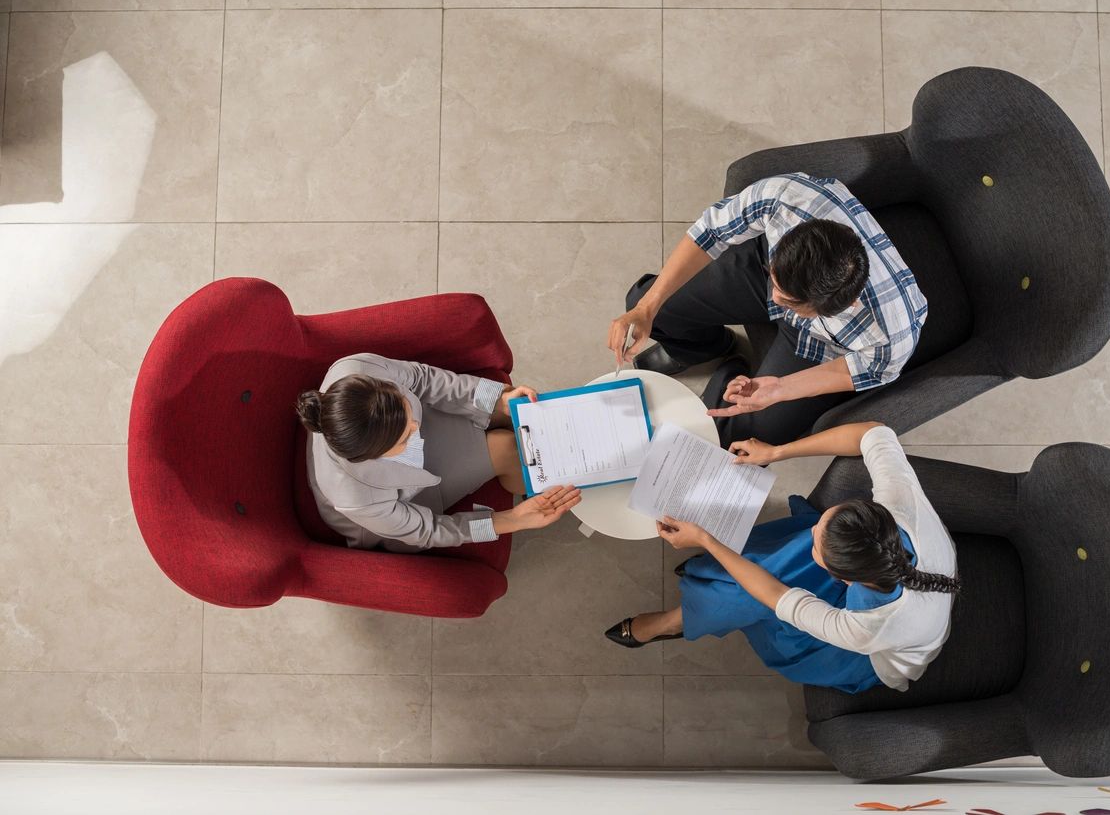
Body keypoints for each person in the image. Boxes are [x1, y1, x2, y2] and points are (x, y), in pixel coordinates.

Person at [604, 422, 958, 694]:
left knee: (751, 592)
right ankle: (705, 590)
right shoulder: (900, 504)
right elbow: (874, 431)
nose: (813, 533)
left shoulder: (865, 628)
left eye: (818, 544)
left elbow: (774, 595)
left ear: (843, 578)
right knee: (779, 562)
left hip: (864, 658)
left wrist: (707, 540)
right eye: (823, 523)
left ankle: (676, 619)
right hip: (885, 587)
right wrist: (776, 453)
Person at [607, 173, 927, 446]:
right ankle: (699, 348)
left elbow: (867, 371)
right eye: (778, 289)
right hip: (765, 268)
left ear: (845, 305)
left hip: (825, 345)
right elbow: (710, 232)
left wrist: (781, 389)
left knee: (741, 437)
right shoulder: (787, 198)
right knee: (650, 301)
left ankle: (730, 368)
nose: (774, 299)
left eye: (788, 302)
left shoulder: (890, 337)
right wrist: (646, 308)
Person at [296, 353, 580, 552]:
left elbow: (424, 379)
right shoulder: (358, 497)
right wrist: (513, 520)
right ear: (378, 455)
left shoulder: (356, 368)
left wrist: (498, 399)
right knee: (507, 447)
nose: (416, 427)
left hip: (380, 430)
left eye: (408, 414)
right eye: (406, 436)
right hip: (401, 502)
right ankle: (547, 481)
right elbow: (428, 531)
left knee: (516, 406)